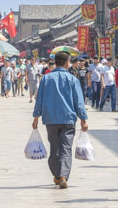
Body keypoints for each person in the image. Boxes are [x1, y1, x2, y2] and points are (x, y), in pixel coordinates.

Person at [32, 51, 88, 188]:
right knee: (66, 148)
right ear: (67, 63)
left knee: (54, 147)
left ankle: (57, 175)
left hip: (50, 119)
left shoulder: (46, 79)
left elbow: (39, 100)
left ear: (56, 62)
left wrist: (36, 117)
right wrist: (83, 118)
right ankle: (63, 175)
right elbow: (79, 101)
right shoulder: (72, 79)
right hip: (68, 119)